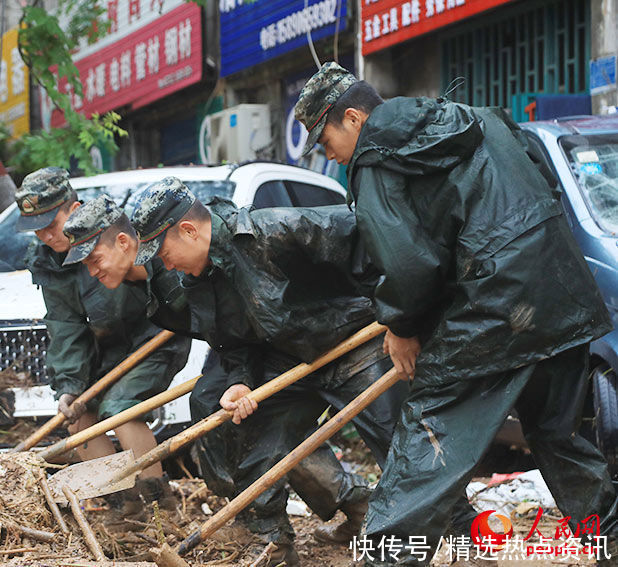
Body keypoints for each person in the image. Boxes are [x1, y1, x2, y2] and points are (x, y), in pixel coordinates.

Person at [296, 61, 618, 565]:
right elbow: (542, 191)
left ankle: (387, 559)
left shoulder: (376, 158)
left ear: (354, 118)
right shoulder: (481, 117)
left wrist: (402, 326)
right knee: (559, 435)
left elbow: (407, 262)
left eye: (324, 139)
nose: (329, 154)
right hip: (561, 296)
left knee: (429, 437)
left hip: (493, 310)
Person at [129, 177, 450, 564]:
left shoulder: (274, 231)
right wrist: (241, 382)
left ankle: (466, 537)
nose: (164, 265)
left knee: (403, 446)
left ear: (189, 230)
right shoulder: (199, 279)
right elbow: (234, 341)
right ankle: (274, 544)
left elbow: (377, 241)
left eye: (162, 252)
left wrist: (402, 321)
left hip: (356, 344)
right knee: (254, 435)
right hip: (292, 359)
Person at [62, 194, 380, 564]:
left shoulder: (206, 251)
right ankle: (269, 522)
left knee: (270, 424)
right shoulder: (155, 277)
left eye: (94, 259)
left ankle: (351, 512)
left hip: (312, 338)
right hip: (248, 345)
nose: (92, 272)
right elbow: (222, 329)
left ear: (123, 241)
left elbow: (359, 239)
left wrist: (399, 308)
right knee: (222, 413)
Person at [14, 167, 191, 520]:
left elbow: (162, 280)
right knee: (79, 420)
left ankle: (160, 507)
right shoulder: (49, 262)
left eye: (52, 222)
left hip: (155, 338)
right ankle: (125, 505)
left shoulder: (108, 233)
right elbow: (66, 327)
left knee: (121, 410)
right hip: (110, 351)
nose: (47, 235)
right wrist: (70, 385)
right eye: (38, 228)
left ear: (74, 207)